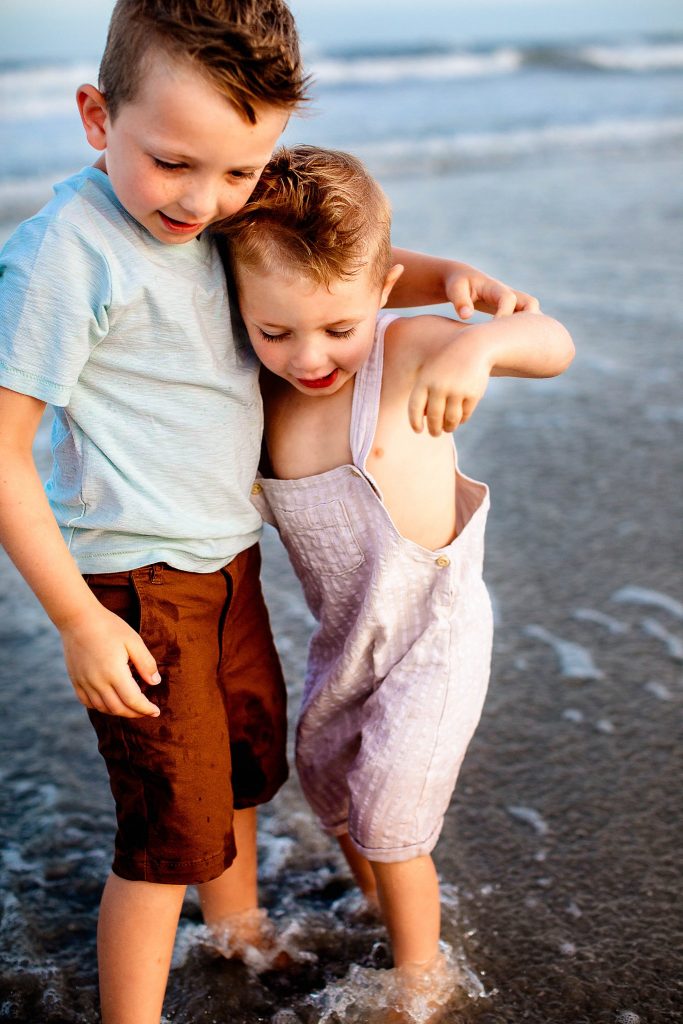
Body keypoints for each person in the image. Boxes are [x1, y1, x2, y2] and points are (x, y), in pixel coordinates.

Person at [0, 3, 540, 1021]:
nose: (206, 199)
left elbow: (329, 263)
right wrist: (77, 617)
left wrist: (439, 283)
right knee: (167, 829)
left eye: (239, 172)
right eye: (174, 163)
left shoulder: (206, 207)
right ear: (92, 116)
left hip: (225, 562)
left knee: (241, 763)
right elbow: (3, 449)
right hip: (137, 580)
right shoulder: (69, 254)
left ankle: (239, 928)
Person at [219, 145, 575, 1010]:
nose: (309, 355)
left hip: (436, 636)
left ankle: (423, 976)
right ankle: (380, 897)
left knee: (389, 815)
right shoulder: (261, 400)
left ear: (381, 290)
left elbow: (553, 343)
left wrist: (481, 347)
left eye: (336, 327)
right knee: (329, 778)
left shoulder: (404, 348)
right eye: (276, 331)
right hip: (350, 638)